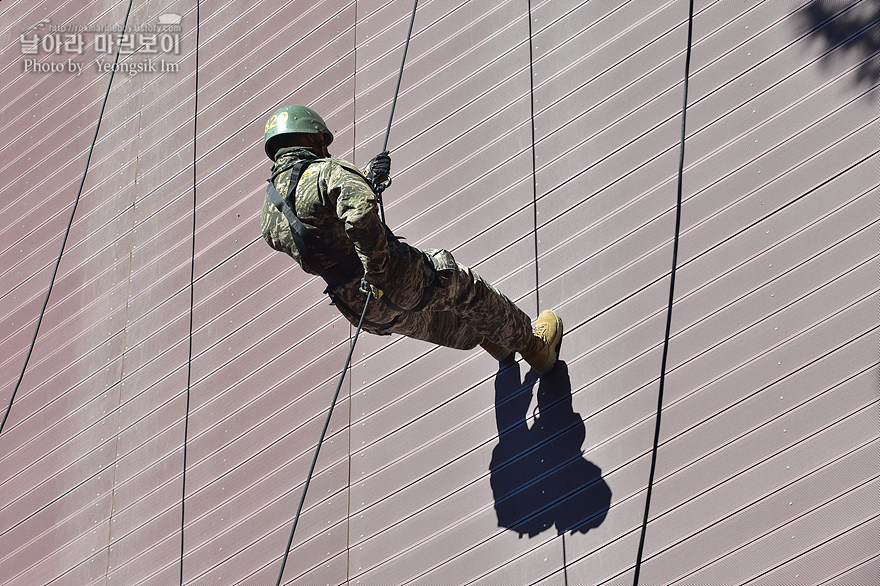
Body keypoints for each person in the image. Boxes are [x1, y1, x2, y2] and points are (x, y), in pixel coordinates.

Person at [259, 104, 562, 374]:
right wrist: (377, 272)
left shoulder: (269, 212)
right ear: (313, 138)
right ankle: (534, 346)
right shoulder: (327, 172)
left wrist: (365, 178)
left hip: (355, 303)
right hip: (388, 277)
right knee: (460, 286)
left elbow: (319, 227)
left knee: (426, 319)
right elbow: (359, 216)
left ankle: (495, 342)